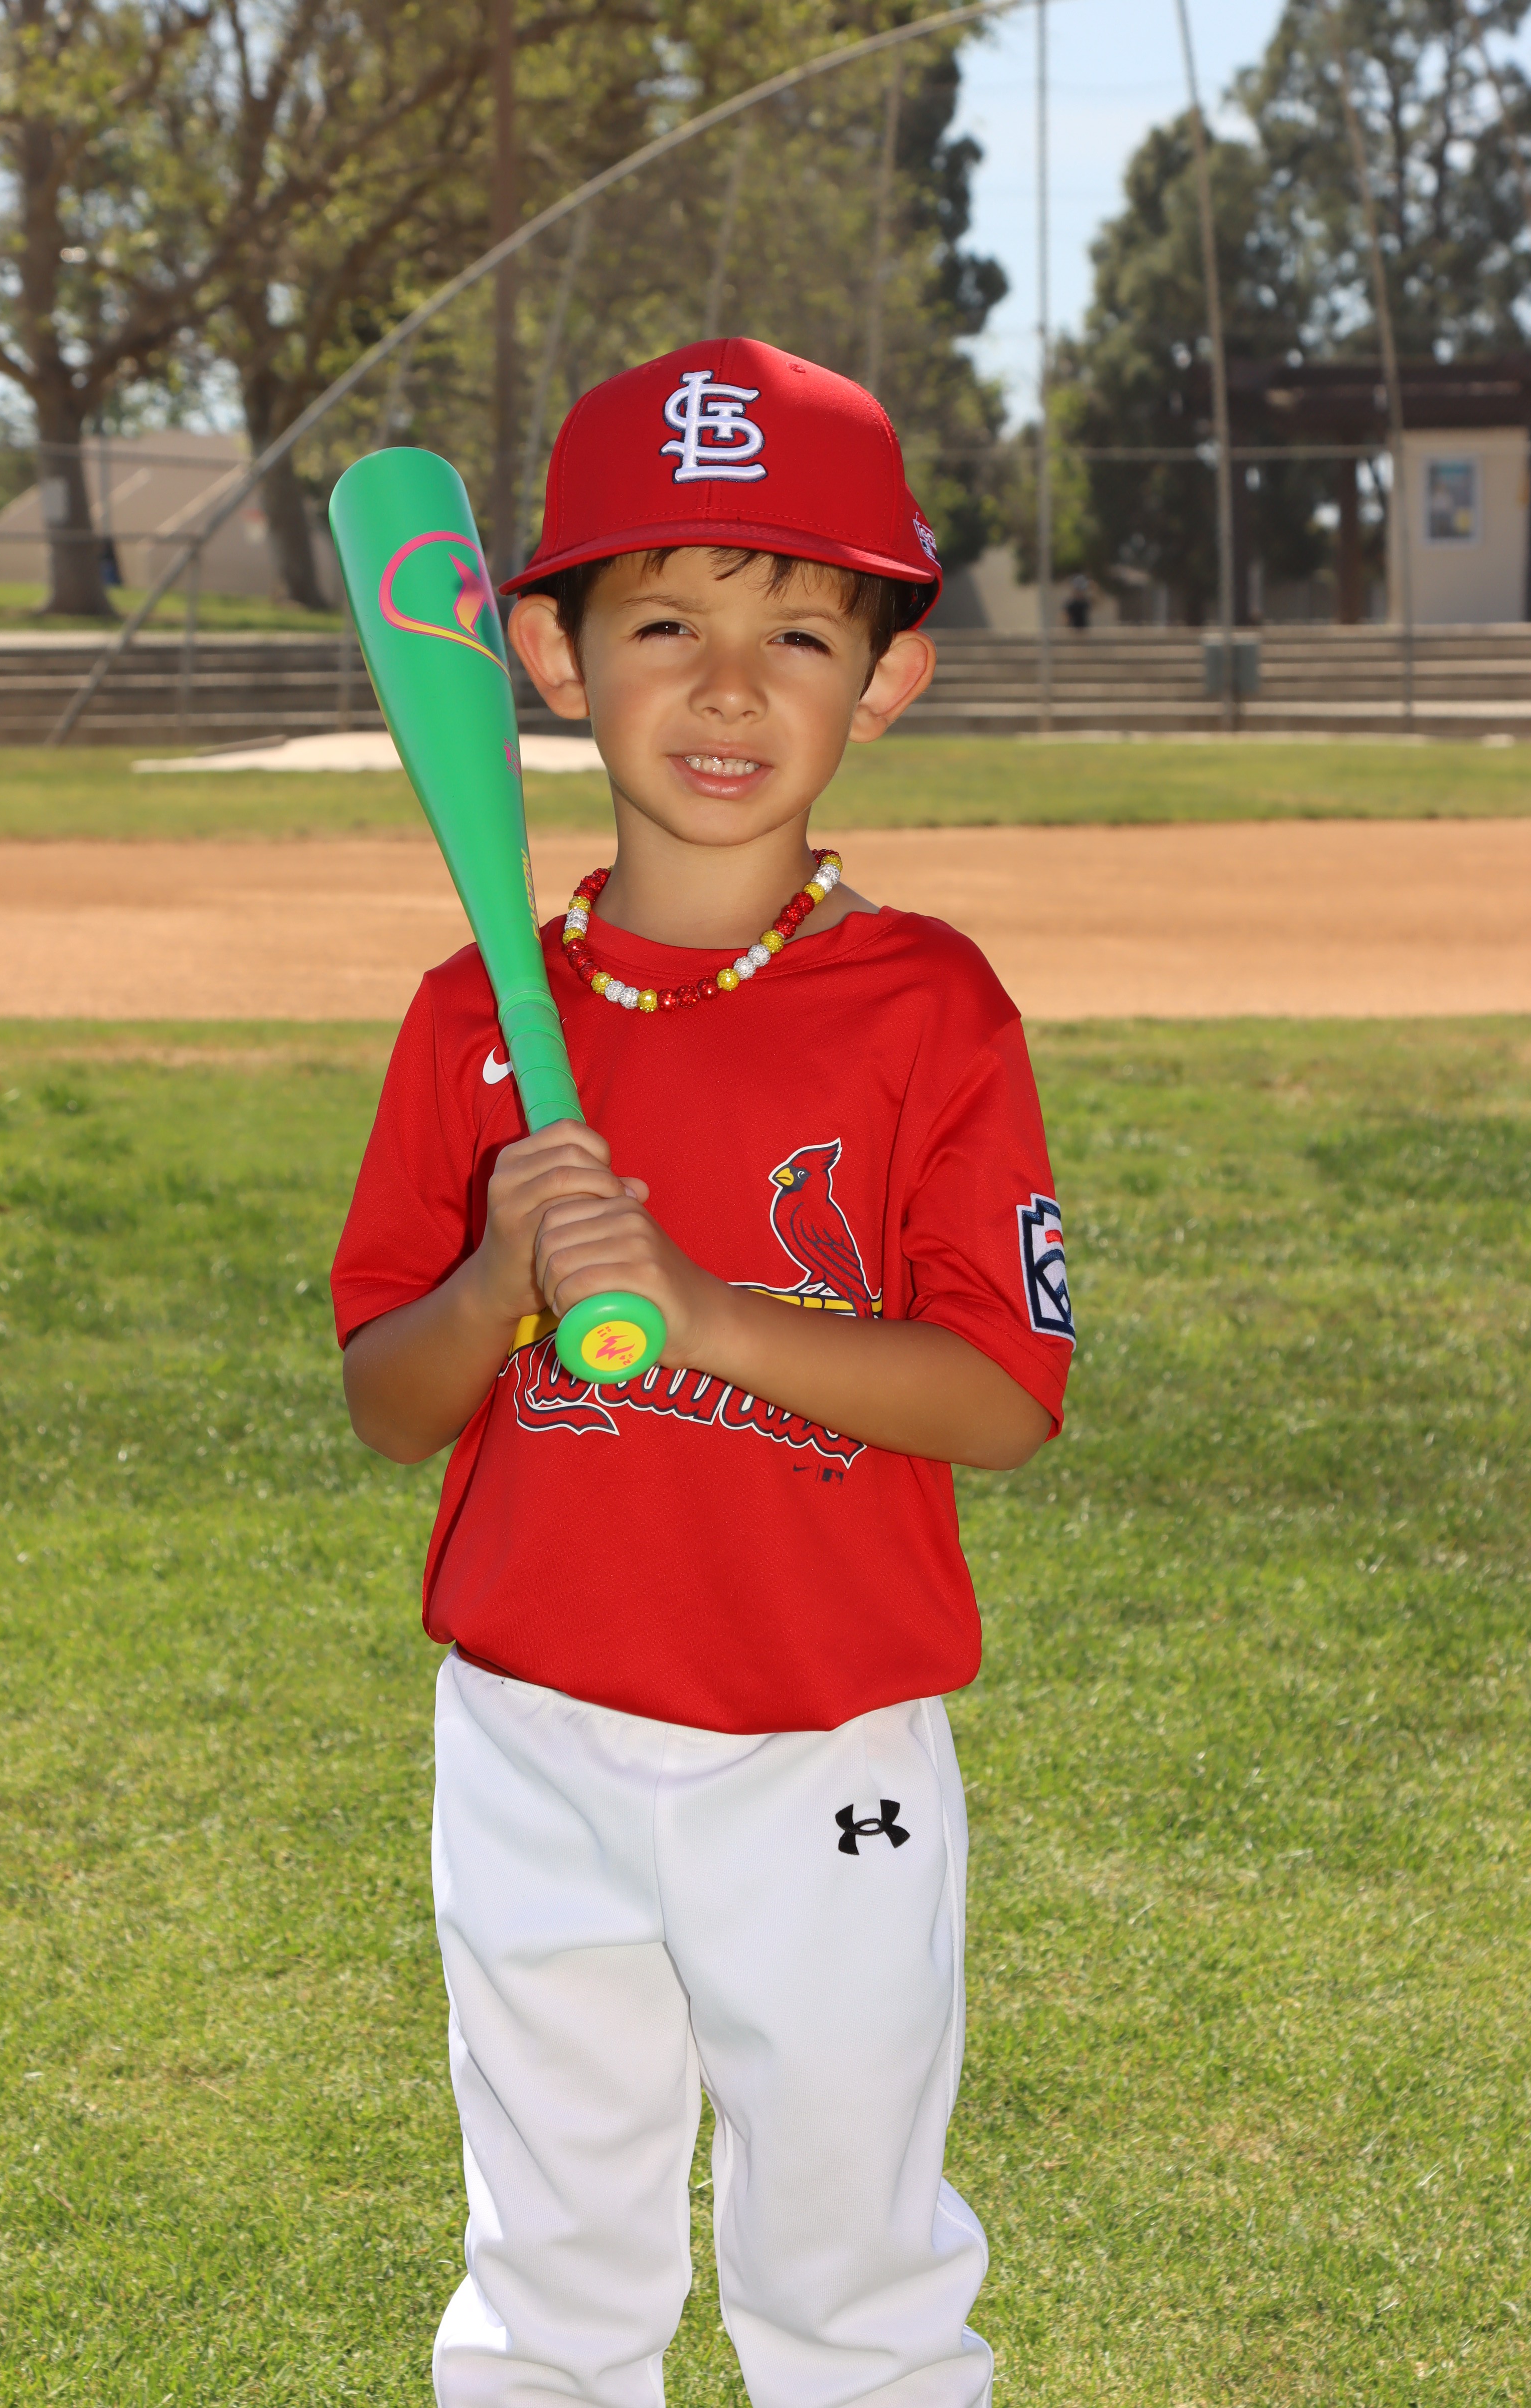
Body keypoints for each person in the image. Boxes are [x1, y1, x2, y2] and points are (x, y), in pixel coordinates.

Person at [331, 338, 1076, 2408]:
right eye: (664, 623)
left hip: (821, 1746)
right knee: (549, 2273)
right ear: (548, 659)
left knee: (850, 2271)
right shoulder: (471, 1019)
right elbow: (389, 1403)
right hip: (530, 1735)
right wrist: (494, 1280)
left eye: (799, 634)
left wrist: (711, 1312)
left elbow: (1005, 1403)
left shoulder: (928, 1008)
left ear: (887, 681)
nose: (729, 688)